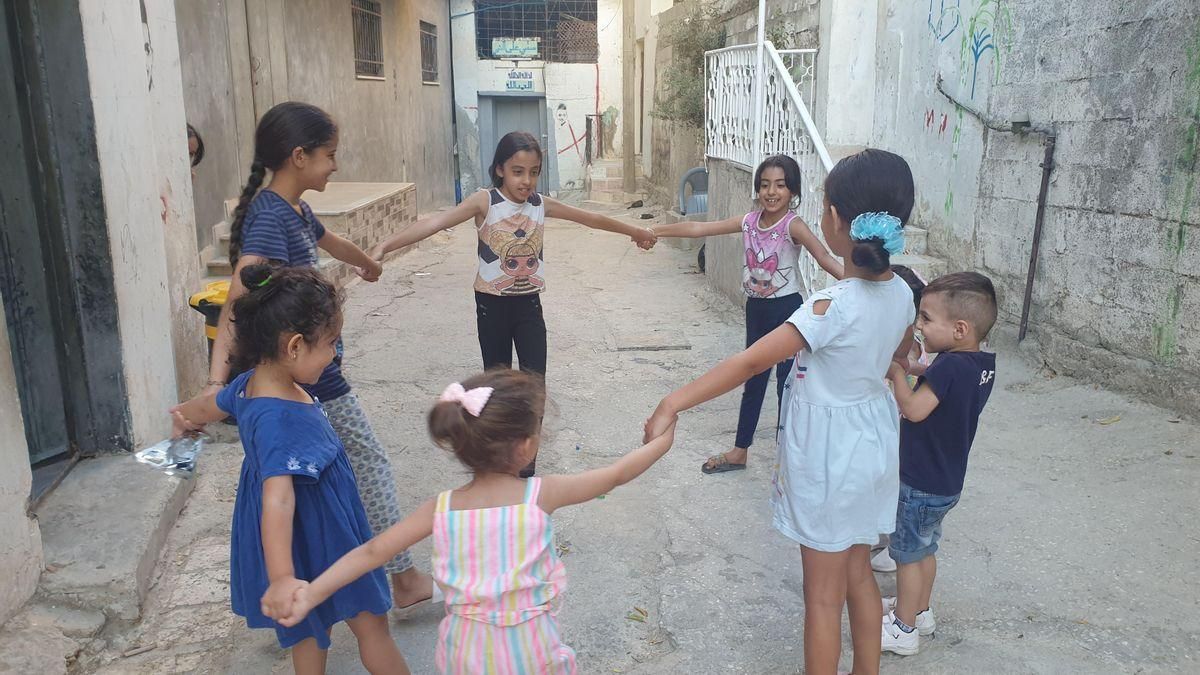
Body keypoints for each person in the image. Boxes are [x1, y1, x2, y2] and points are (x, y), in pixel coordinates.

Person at [644, 148, 918, 675]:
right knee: (858, 574)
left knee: (822, 598)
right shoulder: (903, 293)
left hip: (829, 459)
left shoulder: (829, 308)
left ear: (834, 218)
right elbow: (899, 356)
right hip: (873, 448)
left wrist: (672, 401)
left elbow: (749, 363)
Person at [265, 369, 677, 674]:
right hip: (529, 649)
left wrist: (312, 592)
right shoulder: (541, 494)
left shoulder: (442, 507)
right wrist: (664, 439)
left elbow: (373, 552)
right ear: (527, 446)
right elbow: (617, 474)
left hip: (466, 651)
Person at [201, 101, 436, 611]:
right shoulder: (270, 219)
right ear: (299, 156)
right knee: (365, 464)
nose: (334, 165)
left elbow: (334, 242)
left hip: (307, 372)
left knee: (317, 479)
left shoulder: (295, 211)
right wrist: (216, 381)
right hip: (308, 379)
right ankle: (401, 578)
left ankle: (316, 581)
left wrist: (369, 264)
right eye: (329, 155)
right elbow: (237, 298)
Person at [369, 131, 658, 476]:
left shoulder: (540, 204)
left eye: (534, 172)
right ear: (500, 170)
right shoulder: (484, 202)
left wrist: (634, 231)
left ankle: (526, 461)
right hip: (491, 307)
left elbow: (589, 218)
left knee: (535, 384)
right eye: (518, 171)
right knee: (495, 388)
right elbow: (435, 223)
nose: (526, 181)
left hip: (528, 306)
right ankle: (496, 456)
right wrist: (385, 246)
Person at [171, 265, 408, 674]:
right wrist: (281, 577)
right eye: (331, 343)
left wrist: (183, 414)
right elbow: (278, 499)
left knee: (309, 631)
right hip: (323, 529)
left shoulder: (249, 383)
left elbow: (210, 406)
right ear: (295, 346)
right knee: (371, 624)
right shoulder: (278, 419)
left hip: (301, 533)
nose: (334, 354)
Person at [652, 155, 843, 473]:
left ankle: (788, 456)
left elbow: (823, 256)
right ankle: (740, 451)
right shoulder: (749, 221)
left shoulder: (792, 225)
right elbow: (700, 228)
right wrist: (655, 230)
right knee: (752, 380)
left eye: (780, 185)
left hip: (787, 311)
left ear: (792, 191)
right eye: (765, 185)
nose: (771, 192)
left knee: (787, 384)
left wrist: (857, 283)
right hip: (756, 310)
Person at [880, 272, 998, 656]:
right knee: (925, 549)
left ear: (960, 329)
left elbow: (914, 409)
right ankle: (920, 610)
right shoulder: (979, 363)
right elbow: (944, 382)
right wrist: (915, 370)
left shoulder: (948, 367)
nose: (919, 326)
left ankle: (903, 629)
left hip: (920, 481)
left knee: (907, 557)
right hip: (946, 482)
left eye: (927, 319)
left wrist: (897, 374)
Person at [871, 263, 931, 574]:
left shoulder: (908, 344)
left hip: (898, 421)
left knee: (894, 482)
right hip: (888, 419)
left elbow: (910, 365)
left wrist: (896, 368)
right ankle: (883, 533)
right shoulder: (897, 335)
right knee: (882, 480)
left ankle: (895, 545)